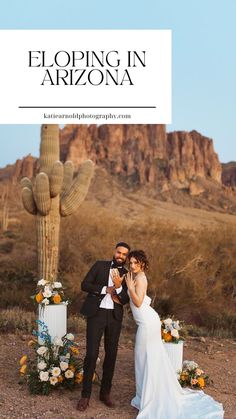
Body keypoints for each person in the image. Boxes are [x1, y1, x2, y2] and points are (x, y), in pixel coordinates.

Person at [125, 250, 224, 419]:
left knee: (143, 359)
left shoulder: (140, 278)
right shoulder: (135, 276)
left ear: (142, 263)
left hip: (147, 324)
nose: (132, 265)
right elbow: (144, 301)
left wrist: (129, 287)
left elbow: (139, 301)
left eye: (135, 262)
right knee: (145, 359)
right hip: (148, 320)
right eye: (131, 263)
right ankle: (144, 396)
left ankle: (147, 398)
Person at [77, 242, 130, 412]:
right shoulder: (100, 265)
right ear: (114, 252)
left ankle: (105, 393)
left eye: (124, 254)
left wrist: (119, 286)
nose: (120, 256)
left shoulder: (128, 275)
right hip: (96, 314)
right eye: (119, 252)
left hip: (114, 317)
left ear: (126, 257)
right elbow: (84, 285)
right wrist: (104, 289)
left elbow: (125, 299)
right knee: (92, 354)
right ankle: (85, 395)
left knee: (111, 354)